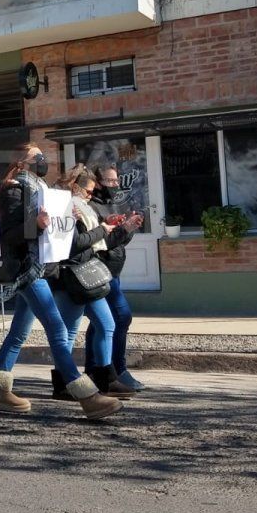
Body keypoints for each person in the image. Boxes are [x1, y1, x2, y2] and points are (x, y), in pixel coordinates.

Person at [0, 144, 123, 420]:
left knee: (19, 333)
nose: (42, 161)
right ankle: (86, 395)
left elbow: (47, 231)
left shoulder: (39, 190)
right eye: (37, 157)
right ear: (22, 162)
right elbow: (10, 235)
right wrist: (35, 224)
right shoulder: (14, 189)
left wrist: (64, 221)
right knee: (58, 329)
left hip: (39, 268)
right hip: (26, 270)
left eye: (42, 157)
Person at [47, 165, 134, 399]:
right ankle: (64, 383)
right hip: (71, 276)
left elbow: (95, 240)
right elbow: (74, 244)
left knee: (106, 324)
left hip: (87, 275)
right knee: (69, 331)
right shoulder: (66, 209)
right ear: (76, 187)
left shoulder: (82, 208)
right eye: (87, 191)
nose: (90, 195)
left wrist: (119, 228)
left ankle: (107, 379)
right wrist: (102, 229)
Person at [89, 164, 146, 391]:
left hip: (113, 271)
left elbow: (118, 242)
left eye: (116, 181)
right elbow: (100, 244)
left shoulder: (109, 204)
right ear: (98, 182)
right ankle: (117, 370)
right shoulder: (92, 207)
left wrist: (127, 228)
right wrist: (123, 229)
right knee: (121, 317)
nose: (115, 185)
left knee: (100, 324)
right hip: (100, 272)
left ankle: (95, 370)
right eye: (110, 181)